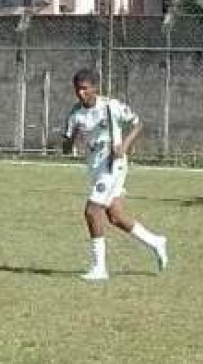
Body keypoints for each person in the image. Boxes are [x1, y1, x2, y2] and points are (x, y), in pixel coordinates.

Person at [59, 68, 169, 282]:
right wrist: (71, 139)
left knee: (92, 210)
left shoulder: (111, 106)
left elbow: (138, 123)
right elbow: (65, 148)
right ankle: (156, 242)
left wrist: (124, 146)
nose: (80, 93)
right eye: (77, 89)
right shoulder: (75, 114)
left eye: (84, 89)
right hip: (95, 169)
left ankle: (99, 267)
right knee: (115, 216)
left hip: (113, 166)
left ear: (95, 88)